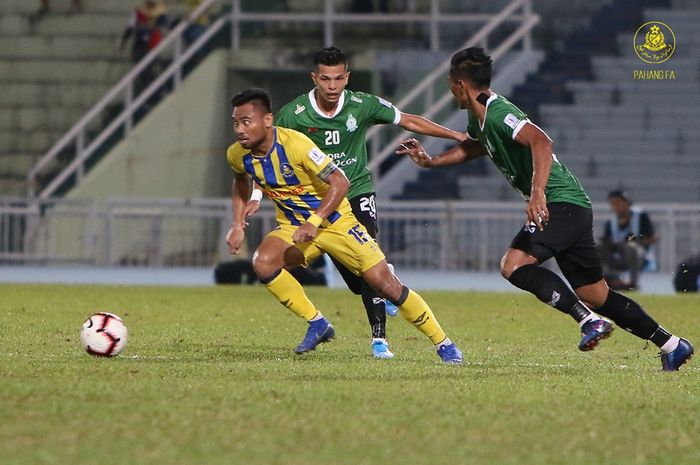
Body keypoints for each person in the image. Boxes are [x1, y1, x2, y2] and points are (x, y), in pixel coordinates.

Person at [399, 47, 693, 371]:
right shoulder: (478, 114)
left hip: (560, 203)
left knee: (513, 265)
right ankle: (672, 344)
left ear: (459, 85)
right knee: (597, 294)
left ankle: (587, 321)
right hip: (575, 207)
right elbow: (476, 146)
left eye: (450, 83)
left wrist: (537, 194)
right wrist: (432, 162)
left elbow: (541, 141)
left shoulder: (497, 111)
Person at [248, 46, 465, 360]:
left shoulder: (363, 105)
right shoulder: (293, 114)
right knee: (356, 280)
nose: (333, 86)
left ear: (347, 77)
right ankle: (333, 312)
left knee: (375, 275)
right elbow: (264, 155)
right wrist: (256, 197)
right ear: (314, 79)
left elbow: (409, 120)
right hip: (316, 207)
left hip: (356, 192)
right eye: (325, 79)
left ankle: (381, 340)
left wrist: (456, 135)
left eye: (338, 78)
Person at [599, 190, 658, 290]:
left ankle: (633, 282)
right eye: (612, 204)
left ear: (626, 202)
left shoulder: (640, 216)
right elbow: (606, 240)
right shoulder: (611, 222)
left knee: (631, 247)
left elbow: (653, 237)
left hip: (639, 256)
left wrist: (636, 242)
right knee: (598, 247)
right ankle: (610, 279)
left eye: (617, 203)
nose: (615, 206)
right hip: (617, 256)